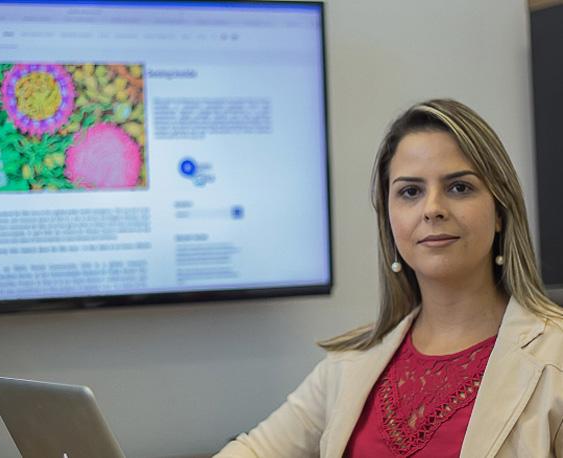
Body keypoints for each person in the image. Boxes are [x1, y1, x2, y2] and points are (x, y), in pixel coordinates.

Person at [214, 99, 563, 458]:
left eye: (459, 187)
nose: (433, 209)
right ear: (389, 220)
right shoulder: (350, 364)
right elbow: (254, 450)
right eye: (410, 192)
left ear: (500, 210)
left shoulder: (555, 357)